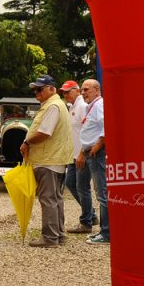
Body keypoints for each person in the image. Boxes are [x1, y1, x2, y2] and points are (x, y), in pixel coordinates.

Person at [20, 74, 74, 248]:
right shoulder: (56, 105)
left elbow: (44, 132)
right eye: (35, 90)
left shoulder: (52, 106)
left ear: (52, 89)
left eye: (40, 89)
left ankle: (50, 238)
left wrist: (27, 141)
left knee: (48, 199)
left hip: (47, 159)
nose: (37, 93)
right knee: (56, 198)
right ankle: (58, 234)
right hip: (55, 159)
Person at [60, 80, 95, 234]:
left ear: (77, 91)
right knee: (71, 183)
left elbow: (87, 131)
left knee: (82, 187)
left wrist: (82, 152)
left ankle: (86, 222)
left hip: (82, 153)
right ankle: (91, 215)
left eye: (68, 92)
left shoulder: (82, 106)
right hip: (74, 154)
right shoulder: (73, 106)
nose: (65, 95)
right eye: (64, 92)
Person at [78, 78, 109, 245]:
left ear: (97, 90)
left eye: (86, 89)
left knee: (102, 193)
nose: (83, 93)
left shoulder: (99, 105)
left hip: (96, 153)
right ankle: (101, 228)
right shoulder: (93, 106)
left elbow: (106, 126)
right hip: (89, 151)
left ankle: (106, 233)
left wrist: (97, 146)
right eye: (82, 90)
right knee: (87, 187)